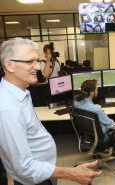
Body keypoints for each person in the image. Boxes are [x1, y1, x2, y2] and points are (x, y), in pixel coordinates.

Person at [0, 37, 101, 185]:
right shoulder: (8, 108)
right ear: (9, 65)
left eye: (36, 61)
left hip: (44, 172)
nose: (37, 67)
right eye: (30, 62)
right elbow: (25, 167)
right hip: (35, 179)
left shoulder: (21, 94)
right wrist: (71, 174)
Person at [74, 80, 115, 156]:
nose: (97, 91)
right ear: (92, 93)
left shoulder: (75, 103)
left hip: (87, 136)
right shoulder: (96, 109)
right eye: (96, 90)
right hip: (101, 138)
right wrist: (112, 122)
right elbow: (112, 126)